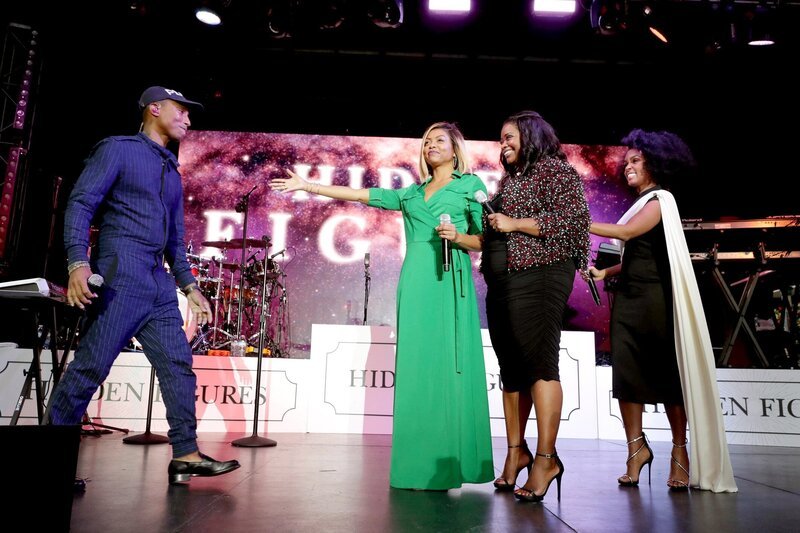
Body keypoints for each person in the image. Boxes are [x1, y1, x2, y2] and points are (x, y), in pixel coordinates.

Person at [270, 121, 494, 490]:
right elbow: (363, 195)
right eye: (427, 141)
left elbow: (485, 240)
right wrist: (309, 186)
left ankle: (453, 462)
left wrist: (458, 237)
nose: (431, 145)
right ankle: (418, 465)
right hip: (417, 279)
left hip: (449, 277)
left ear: (455, 150)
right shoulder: (411, 193)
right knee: (416, 366)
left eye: (439, 140)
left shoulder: (469, 186)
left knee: (446, 366)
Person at [47, 86, 240, 484]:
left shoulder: (172, 171)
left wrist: (190, 287)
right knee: (90, 369)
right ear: (154, 108)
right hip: (121, 276)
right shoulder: (117, 150)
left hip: (158, 284)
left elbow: (175, 240)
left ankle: (185, 454)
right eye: (181, 111)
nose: (188, 119)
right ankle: (50, 463)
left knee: (178, 365)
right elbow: (81, 204)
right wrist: (78, 262)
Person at [587, 129, 737, 493]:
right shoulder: (641, 203)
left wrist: (575, 223)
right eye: (626, 162)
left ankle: (680, 451)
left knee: (668, 378)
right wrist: (606, 272)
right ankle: (636, 449)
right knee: (627, 377)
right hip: (629, 299)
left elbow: (627, 234)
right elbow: (639, 254)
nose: (628, 166)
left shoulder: (660, 199)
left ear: (656, 163)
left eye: (636, 161)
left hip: (656, 301)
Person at [481, 110, 590, 502]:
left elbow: (574, 222)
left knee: (540, 363)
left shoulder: (555, 171)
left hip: (542, 274)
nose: (503, 144)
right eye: (501, 139)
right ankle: (516, 453)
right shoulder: (512, 181)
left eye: (509, 137)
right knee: (511, 370)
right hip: (505, 282)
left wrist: (514, 224)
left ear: (530, 136)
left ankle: (546, 459)